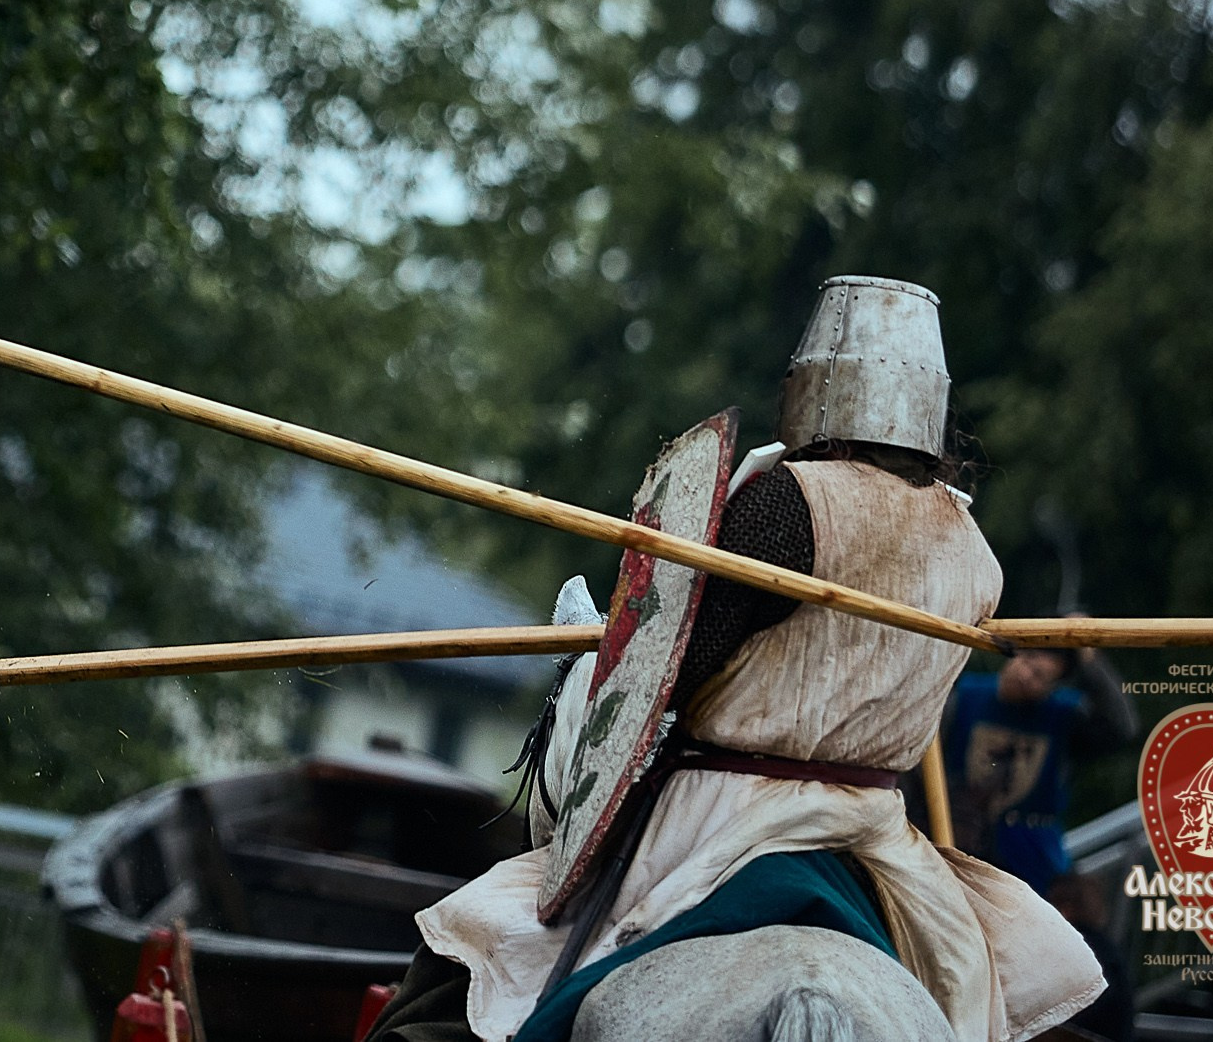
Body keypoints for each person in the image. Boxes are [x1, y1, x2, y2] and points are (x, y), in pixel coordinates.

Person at [370, 276, 1104, 1042]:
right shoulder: (976, 556)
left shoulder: (785, 501)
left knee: (457, 974)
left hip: (716, 825)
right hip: (879, 845)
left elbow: (667, 678)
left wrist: (592, 672)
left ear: (814, 386)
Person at [946, 634, 1137, 899]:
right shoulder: (963, 696)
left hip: (1031, 849)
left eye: (1040, 677)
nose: (1026, 676)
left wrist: (1089, 657)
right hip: (958, 832)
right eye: (1027, 661)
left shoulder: (1062, 715)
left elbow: (1121, 728)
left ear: (1052, 687)